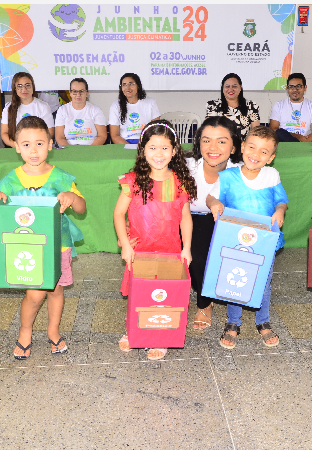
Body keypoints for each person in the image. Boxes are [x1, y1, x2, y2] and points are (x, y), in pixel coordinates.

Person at [0, 116, 86, 359]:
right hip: (27, 248)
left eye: (40, 143)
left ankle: (53, 330)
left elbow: (82, 208)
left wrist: (72, 198)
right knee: (34, 293)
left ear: (50, 144)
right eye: (27, 144)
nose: (34, 150)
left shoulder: (62, 178)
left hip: (58, 246)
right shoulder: (10, 181)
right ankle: (25, 330)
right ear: (17, 147)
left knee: (55, 290)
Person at [114, 120, 197, 360]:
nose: (158, 154)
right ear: (143, 150)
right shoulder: (132, 181)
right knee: (138, 291)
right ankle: (133, 329)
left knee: (165, 294)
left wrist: (187, 248)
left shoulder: (181, 182)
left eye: (164, 148)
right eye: (152, 147)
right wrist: (125, 244)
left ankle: (161, 337)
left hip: (170, 249)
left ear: (174, 151)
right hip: (140, 250)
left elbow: (185, 219)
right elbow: (118, 214)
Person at [207, 126, 288, 349]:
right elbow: (210, 197)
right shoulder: (227, 176)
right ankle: (233, 322)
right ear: (242, 147)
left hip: (264, 242)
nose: (256, 154)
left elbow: (281, 200)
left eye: (264, 152)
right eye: (251, 147)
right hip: (235, 241)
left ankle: (262, 321)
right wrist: (215, 204)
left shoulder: (271, 175)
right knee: (235, 278)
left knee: (263, 281)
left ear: (271, 158)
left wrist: (280, 210)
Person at [185, 116, 242, 330]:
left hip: (224, 219)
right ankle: (204, 302)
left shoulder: (243, 169)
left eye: (222, 141)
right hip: (187, 217)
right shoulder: (186, 164)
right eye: (206, 140)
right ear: (198, 143)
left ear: (235, 146)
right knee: (197, 257)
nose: (213, 147)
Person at [1, 72, 54, 147]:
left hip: (38, 147)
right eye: (19, 86)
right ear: (15, 88)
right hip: (15, 148)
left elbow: (50, 132)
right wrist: (18, 146)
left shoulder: (43, 106)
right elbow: (4, 133)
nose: (24, 89)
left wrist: (35, 145)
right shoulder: (8, 108)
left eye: (27, 85)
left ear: (33, 87)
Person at [269, 72, 312, 143]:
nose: (295, 90)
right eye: (291, 86)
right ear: (287, 89)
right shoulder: (279, 105)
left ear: (305, 88)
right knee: (279, 133)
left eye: (298, 86)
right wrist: (297, 137)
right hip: (284, 144)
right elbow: (273, 130)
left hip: (305, 144)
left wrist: (301, 143)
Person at [205, 73, 260, 140]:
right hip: (221, 146)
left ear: (240, 87)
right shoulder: (213, 105)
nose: (230, 89)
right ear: (223, 88)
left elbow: (256, 131)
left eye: (234, 86)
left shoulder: (251, 105)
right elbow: (210, 130)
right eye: (227, 86)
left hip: (243, 147)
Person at [109, 73, 160, 144]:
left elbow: (156, 131)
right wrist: (129, 147)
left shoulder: (150, 102)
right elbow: (115, 136)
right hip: (124, 143)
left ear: (138, 86)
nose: (127, 88)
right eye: (124, 85)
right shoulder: (116, 106)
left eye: (131, 84)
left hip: (146, 142)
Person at [54, 78, 107, 146]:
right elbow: (59, 138)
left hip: (91, 149)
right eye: (74, 91)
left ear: (87, 93)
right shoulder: (62, 110)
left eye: (81, 91)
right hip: (69, 150)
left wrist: (88, 151)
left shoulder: (96, 110)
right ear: (70, 93)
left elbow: (102, 136)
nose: (78, 94)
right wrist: (71, 152)